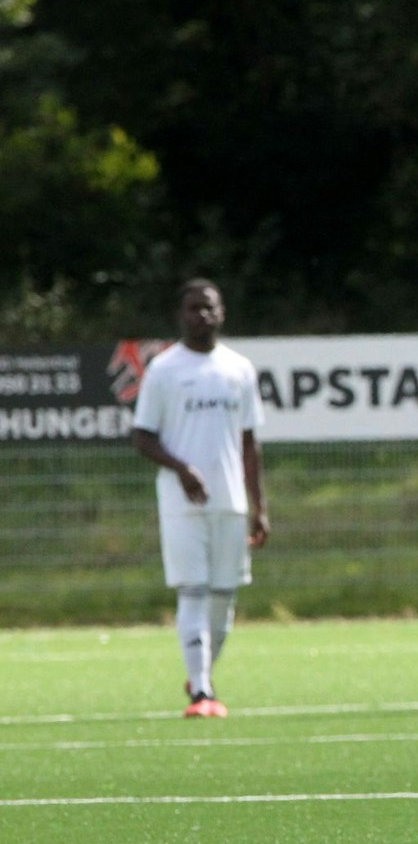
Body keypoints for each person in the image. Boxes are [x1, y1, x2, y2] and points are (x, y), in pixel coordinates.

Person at [131, 279, 269, 719]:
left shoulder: (239, 369)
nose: (202, 316)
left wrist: (259, 507)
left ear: (222, 313)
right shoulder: (165, 369)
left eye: (209, 308)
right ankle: (202, 694)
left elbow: (249, 443)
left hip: (231, 501)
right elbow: (141, 435)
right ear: (181, 315)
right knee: (193, 593)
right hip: (181, 502)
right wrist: (183, 470)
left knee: (224, 598)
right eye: (193, 308)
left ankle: (201, 674)